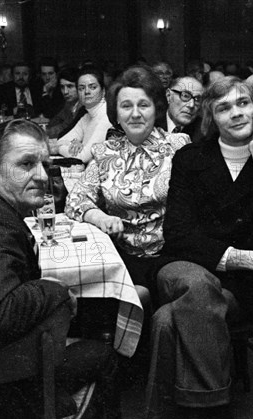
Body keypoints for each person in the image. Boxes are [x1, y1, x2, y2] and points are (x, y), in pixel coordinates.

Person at [144, 76, 253, 419]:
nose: (235, 113)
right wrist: (251, 259)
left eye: (243, 103)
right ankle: (216, 414)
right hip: (183, 267)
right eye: (223, 107)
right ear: (211, 118)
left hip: (239, 289)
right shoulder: (190, 158)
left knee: (167, 320)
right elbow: (177, 233)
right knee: (198, 287)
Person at [0, 119, 119, 419]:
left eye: (44, 164)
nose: (41, 176)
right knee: (103, 354)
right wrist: (56, 288)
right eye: (26, 164)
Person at [65, 65, 189, 306]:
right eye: (126, 106)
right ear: (116, 113)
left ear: (156, 108)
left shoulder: (178, 147)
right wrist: (101, 218)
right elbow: (76, 200)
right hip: (122, 258)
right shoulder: (104, 153)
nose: (135, 114)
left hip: (172, 256)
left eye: (143, 105)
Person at [52, 66, 112, 164]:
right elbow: (60, 141)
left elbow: (82, 157)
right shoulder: (86, 116)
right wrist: (73, 143)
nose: (87, 92)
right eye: (81, 88)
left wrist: (60, 149)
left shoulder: (107, 116)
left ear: (103, 91)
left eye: (93, 87)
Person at [46, 67, 81, 139]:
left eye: (70, 86)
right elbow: (56, 120)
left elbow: (65, 128)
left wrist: (43, 133)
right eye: (62, 87)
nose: (65, 92)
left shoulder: (83, 105)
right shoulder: (69, 103)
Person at [166, 76, 204, 141]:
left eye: (197, 99)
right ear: (168, 95)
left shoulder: (204, 132)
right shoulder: (152, 123)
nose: (191, 105)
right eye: (185, 96)